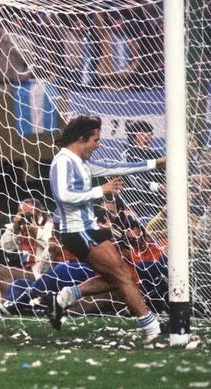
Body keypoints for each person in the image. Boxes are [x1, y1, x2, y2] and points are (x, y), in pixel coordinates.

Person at [38, 115, 166, 343]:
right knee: (123, 275)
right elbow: (63, 195)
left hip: (89, 228)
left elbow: (117, 166)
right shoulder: (63, 161)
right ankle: (151, 328)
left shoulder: (82, 162)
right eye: (96, 140)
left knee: (119, 275)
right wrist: (101, 190)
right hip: (77, 231)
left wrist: (156, 163)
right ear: (81, 138)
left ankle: (65, 297)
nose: (99, 144)